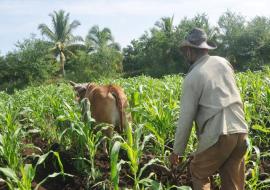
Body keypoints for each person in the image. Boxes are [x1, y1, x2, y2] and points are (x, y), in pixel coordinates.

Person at [169, 28, 249, 190]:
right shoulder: (223, 63)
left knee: (198, 171)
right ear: (205, 49)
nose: (185, 54)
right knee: (231, 177)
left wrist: (177, 151)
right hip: (240, 130)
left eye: (186, 51)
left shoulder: (192, 77)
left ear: (191, 51)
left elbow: (186, 119)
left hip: (220, 133)